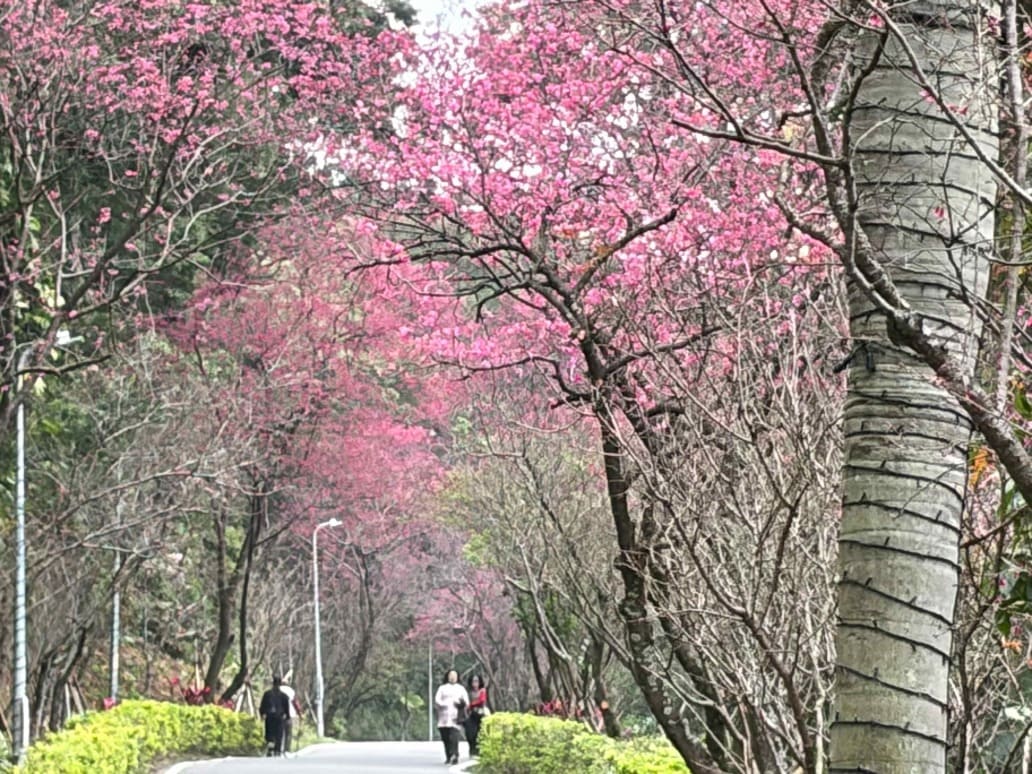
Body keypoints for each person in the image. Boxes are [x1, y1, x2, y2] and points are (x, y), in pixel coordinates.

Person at [434, 669, 469, 765]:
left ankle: (455, 755)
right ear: (447, 676)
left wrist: (460, 704)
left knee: (454, 737)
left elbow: (466, 702)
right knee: (445, 738)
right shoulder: (442, 688)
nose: (452, 677)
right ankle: (448, 756)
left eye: (454, 675)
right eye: (450, 675)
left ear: (457, 677)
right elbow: (437, 700)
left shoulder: (461, 689)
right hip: (443, 717)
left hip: (456, 717)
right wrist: (443, 704)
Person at [259, 675, 291, 757]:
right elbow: (286, 708)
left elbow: (262, 705)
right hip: (279, 717)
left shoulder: (267, 694)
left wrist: (262, 714)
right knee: (278, 734)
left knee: (269, 733)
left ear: (273, 683)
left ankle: (270, 748)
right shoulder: (284, 696)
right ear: (280, 684)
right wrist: (287, 717)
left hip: (269, 716)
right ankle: (277, 750)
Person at [463, 674, 489, 757]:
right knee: (470, 733)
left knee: (480, 732)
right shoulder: (468, 692)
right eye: (473, 681)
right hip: (470, 714)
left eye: (477, 681)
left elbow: (481, 701)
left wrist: (470, 705)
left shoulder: (482, 691)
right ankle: (472, 749)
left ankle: (480, 750)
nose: (475, 683)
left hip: (481, 713)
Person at [279, 678, 303, 755]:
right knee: (288, 733)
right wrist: (300, 714)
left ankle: (277, 749)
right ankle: (286, 750)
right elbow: (295, 703)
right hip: (288, 714)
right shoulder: (290, 691)